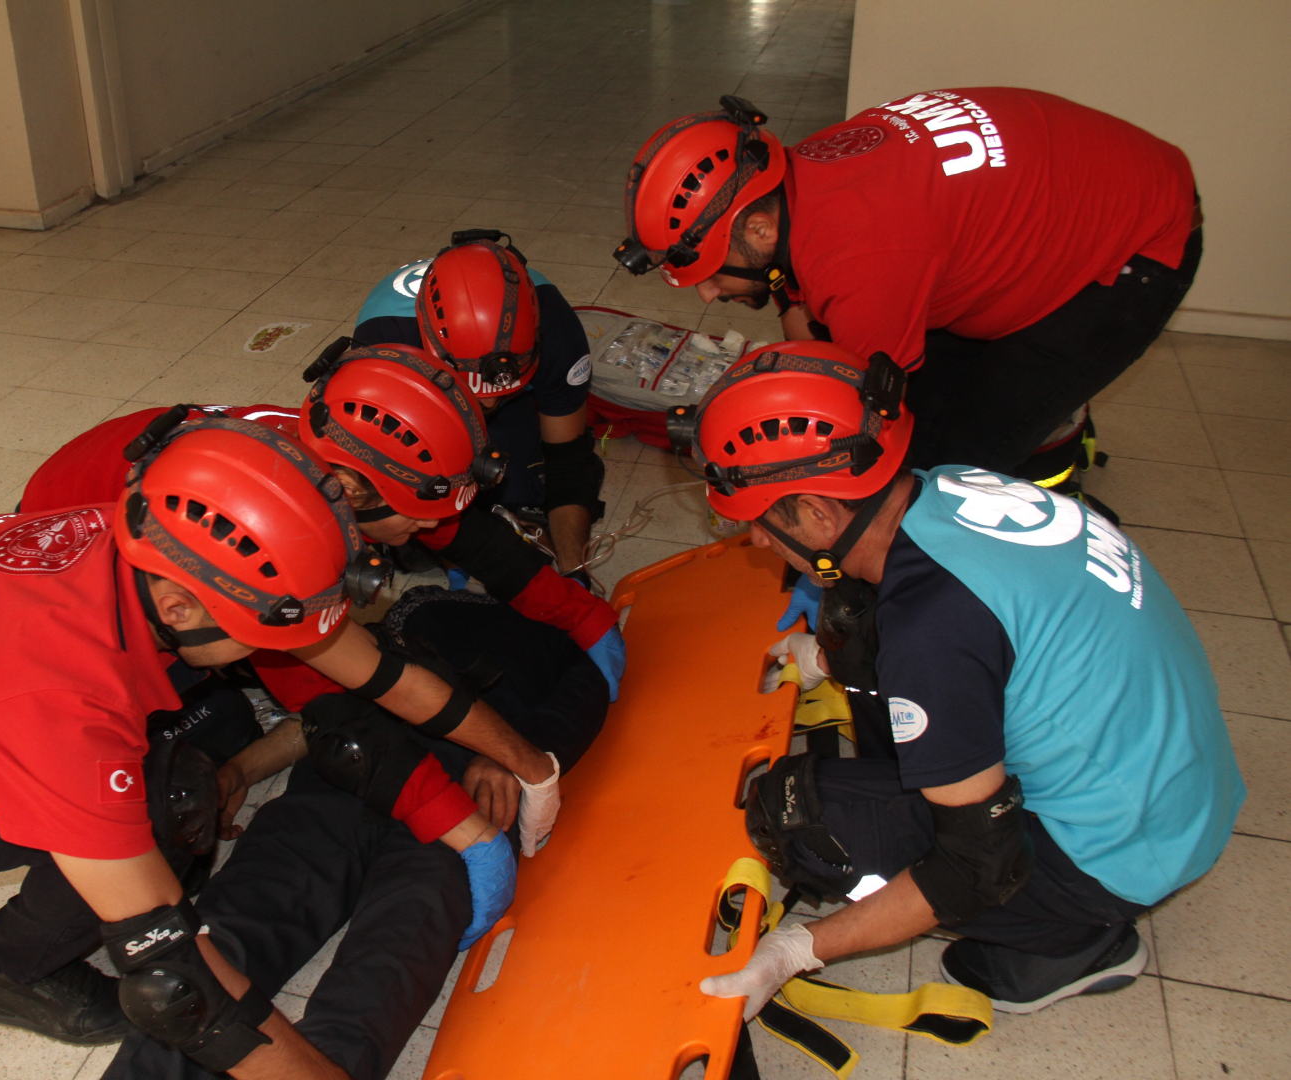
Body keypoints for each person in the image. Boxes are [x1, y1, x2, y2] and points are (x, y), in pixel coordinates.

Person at [0, 418, 559, 1078]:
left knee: (165, 776)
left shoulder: (149, 542)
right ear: (186, 610)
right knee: (159, 807)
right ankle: (6, 973)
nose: (290, 651)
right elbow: (173, 980)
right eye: (270, 632)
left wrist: (531, 765)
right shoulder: (60, 702)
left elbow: (370, 668)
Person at [673, 340, 1242, 1014]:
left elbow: (977, 863)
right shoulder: (949, 487)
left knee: (798, 816)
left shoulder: (933, 629)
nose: (759, 542)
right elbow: (982, 631)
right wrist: (831, 661)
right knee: (857, 623)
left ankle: (1073, 946)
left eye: (762, 523)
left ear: (820, 513)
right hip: (1180, 788)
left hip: (1122, 852)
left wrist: (799, 950)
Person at [103, 585, 609, 1080]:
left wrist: (510, 757)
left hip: (458, 800)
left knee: (389, 958)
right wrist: (242, 771)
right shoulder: (420, 605)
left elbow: (583, 702)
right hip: (349, 778)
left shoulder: (560, 640)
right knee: (238, 925)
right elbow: (325, 711)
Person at [616, 90, 1200, 495]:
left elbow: (863, 431)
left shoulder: (864, 261)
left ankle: (1054, 421)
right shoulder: (802, 175)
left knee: (942, 470)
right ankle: (1043, 409)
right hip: (1081, 191)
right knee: (937, 382)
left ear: (760, 229)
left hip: (1140, 243)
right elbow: (810, 322)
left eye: (713, 270)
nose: (708, 295)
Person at [18, 343, 626, 702]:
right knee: (178, 673)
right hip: (78, 536)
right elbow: (304, 666)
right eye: (416, 524)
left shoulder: (354, 462)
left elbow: (477, 543)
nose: (428, 536)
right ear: (356, 493)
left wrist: (583, 615)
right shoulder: (285, 520)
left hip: (151, 482)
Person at [353, 230, 606, 580]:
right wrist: (470, 553)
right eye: (475, 390)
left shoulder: (558, 329)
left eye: (499, 387)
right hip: (421, 401)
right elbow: (381, 476)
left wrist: (574, 570)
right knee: (410, 533)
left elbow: (569, 461)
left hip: (517, 402)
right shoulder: (385, 348)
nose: (487, 401)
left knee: (527, 499)